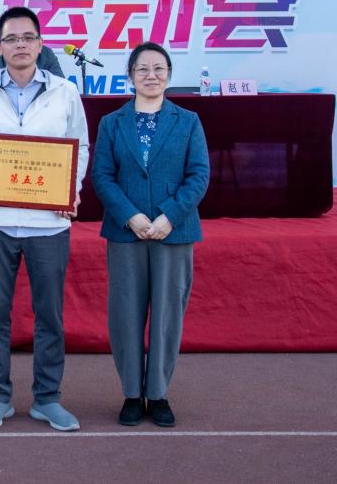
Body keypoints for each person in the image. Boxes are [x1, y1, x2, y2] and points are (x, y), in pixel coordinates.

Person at [0, 6, 89, 433]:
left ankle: (47, 398)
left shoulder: (65, 92)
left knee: (49, 314)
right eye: (11, 39)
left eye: (28, 38)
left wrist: (70, 192)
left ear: (40, 44)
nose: (20, 45)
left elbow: (80, 147)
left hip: (48, 221)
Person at [91, 42, 208, 429]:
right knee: (125, 313)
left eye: (159, 69)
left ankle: (157, 393)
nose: (151, 75)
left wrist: (170, 216)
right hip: (127, 233)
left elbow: (199, 175)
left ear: (169, 75)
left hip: (173, 232)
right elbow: (102, 176)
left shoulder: (188, 121)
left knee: (167, 314)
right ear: (130, 76)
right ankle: (130, 393)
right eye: (142, 69)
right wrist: (131, 216)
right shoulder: (112, 122)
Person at [0, 42, 64, 79]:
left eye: (27, 37)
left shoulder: (46, 53)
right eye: (12, 38)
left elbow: (61, 86)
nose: (20, 43)